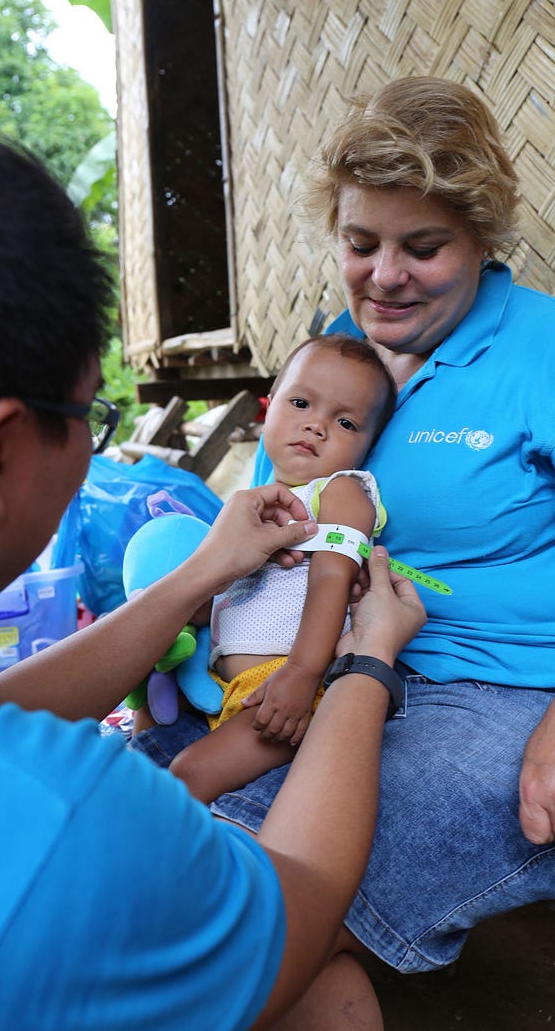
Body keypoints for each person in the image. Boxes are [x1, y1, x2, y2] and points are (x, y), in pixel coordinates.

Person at [0, 101, 428, 1031]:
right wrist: (367, 663)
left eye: (346, 422)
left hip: (268, 679)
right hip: (273, 724)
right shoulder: (67, 819)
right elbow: (298, 911)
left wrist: (200, 581)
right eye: (90, 418)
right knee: (332, 970)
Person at [130, 76, 555, 1028]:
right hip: (345, 673)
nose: (383, 278)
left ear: (482, 241)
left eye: (424, 248)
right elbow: (265, 516)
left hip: (504, 688)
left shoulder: (551, 351)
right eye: (360, 244)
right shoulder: (335, 352)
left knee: (238, 903)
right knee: (189, 861)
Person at [168, 334, 396, 803]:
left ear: (369, 446)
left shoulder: (340, 492)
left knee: (187, 776)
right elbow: (218, 594)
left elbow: (333, 577)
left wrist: (303, 671)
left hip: (292, 687)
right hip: (229, 689)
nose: (316, 427)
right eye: (300, 403)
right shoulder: (248, 506)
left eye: (346, 422)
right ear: (266, 407)